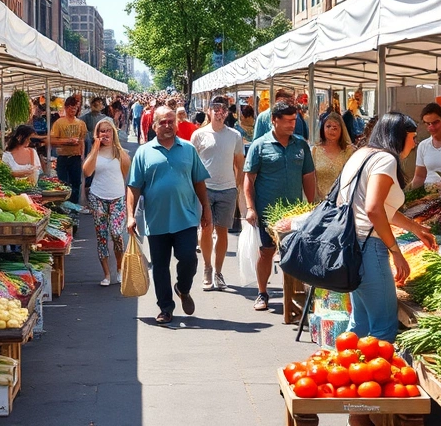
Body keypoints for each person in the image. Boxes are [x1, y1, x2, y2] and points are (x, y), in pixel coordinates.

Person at [335, 113, 436, 342]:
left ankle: (340, 372)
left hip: (351, 243)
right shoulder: (386, 160)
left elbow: (377, 208)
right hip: (369, 248)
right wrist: (396, 251)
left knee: (360, 324)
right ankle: (368, 376)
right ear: (400, 136)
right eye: (413, 137)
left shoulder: (361, 154)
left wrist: (415, 228)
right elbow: (373, 209)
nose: (415, 143)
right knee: (383, 329)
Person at [127, 106, 212, 324]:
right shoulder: (144, 152)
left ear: (176, 123)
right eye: (162, 122)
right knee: (160, 266)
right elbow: (134, 187)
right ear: (154, 126)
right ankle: (165, 307)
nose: (167, 126)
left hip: (186, 217)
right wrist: (130, 215)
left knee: (188, 258)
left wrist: (206, 208)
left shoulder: (188, 149)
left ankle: (182, 288)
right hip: (157, 220)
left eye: (170, 121)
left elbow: (199, 181)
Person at [243, 101, 317, 312]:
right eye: (287, 121)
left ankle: (294, 294)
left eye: (294, 120)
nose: (292, 125)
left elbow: (308, 176)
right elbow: (249, 179)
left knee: (294, 252)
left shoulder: (301, 145)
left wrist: (310, 207)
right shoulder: (260, 145)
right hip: (268, 210)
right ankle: (262, 292)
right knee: (267, 252)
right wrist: (250, 207)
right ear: (274, 120)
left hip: (295, 213)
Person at [191, 95, 245, 291]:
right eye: (215, 109)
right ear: (209, 111)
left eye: (223, 109)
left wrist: (236, 185)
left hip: (227, 190)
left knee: (222, 232)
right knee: (205, 229)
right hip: (204, 190)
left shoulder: (235, 136)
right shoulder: (199, 135)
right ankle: (207, 267)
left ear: (227, 113)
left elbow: (240, 162)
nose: (219, 113)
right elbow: (192, 163)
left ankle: (218, 272)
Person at [83, 119, 131, 286]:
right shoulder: (95, 152)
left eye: (108, 131)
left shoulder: (120, 152)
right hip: (98, 197)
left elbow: (126, 173)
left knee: (117, 234)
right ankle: (106, 274)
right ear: (97, 134)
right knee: (102, 237)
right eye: (102, 131)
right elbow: (87, 172)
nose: (105, 134)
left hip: (117, 197)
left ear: (113, 133)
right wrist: (96, 148)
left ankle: (119, 268)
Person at [50, 96, 88, 205]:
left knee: (76, 183)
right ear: (66, 108)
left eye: (75, 108)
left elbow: (82, 141)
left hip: (76, 157)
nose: (73, 110)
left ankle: (74, 206)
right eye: (71, 107)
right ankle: (64, 206)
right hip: (63, 157)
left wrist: (83, 156)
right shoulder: (59, 123)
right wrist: (67, 141)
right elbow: (53, 141)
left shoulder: (81, 124)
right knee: (63, 183)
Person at [312, 112, 355, 197]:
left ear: (341, 130)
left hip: (341, 202)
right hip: (318, 202)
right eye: (328, 126)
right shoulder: (315, 151)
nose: (331, 130)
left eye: (335, 128)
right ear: (322, 128)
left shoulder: (349, 151)